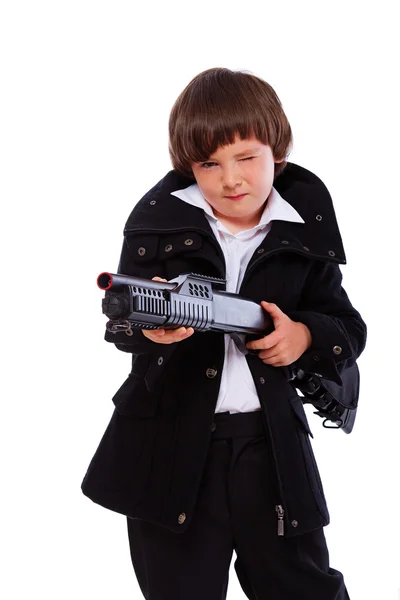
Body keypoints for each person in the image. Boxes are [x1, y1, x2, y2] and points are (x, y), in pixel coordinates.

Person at [81, 67, 367, 599]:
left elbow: (349, 329)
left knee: (302, 586)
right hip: (169, 449)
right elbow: (122, 326)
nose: (230, 179)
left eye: (246, 158)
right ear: (188, 166)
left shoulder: (302, 233)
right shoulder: (155, 230)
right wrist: (150, 332)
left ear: (277, 151)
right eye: (209, 163)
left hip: (270, 448)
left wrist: (303, 338)